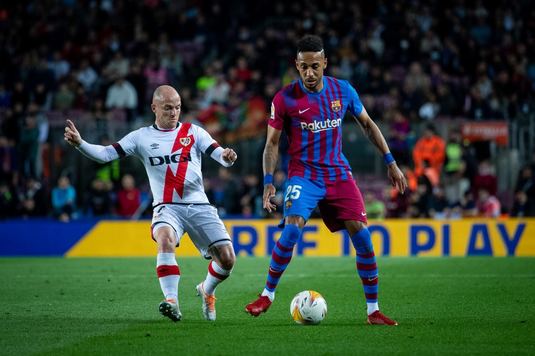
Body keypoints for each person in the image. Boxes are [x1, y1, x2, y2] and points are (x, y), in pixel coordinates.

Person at [244, 35, 407, 326]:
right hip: (303, 175)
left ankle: (373, 311)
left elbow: (368, 125)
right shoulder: (284, 99)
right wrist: (268, 181)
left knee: (364, 238)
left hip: (337, 174)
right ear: (296, 65)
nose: (309, 73)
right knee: (292, 229)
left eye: (315, 66)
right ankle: (267, 295)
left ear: (325, 63)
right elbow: (272, 144)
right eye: (304, 67)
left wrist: (391, 162)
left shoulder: (342, 91)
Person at [64, 85, 238, 322]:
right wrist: (80, 143)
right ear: (154, 108)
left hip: (199, 205)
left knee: (227, 260)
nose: (174, 112)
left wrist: (227, 157)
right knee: (165, 238)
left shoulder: (194, 132)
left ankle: (207, 290)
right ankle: (172, 301)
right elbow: (105, 154)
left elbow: (220, 155)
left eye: (177, 107)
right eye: (168, 108)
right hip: (166, 207)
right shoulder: (141, 137)